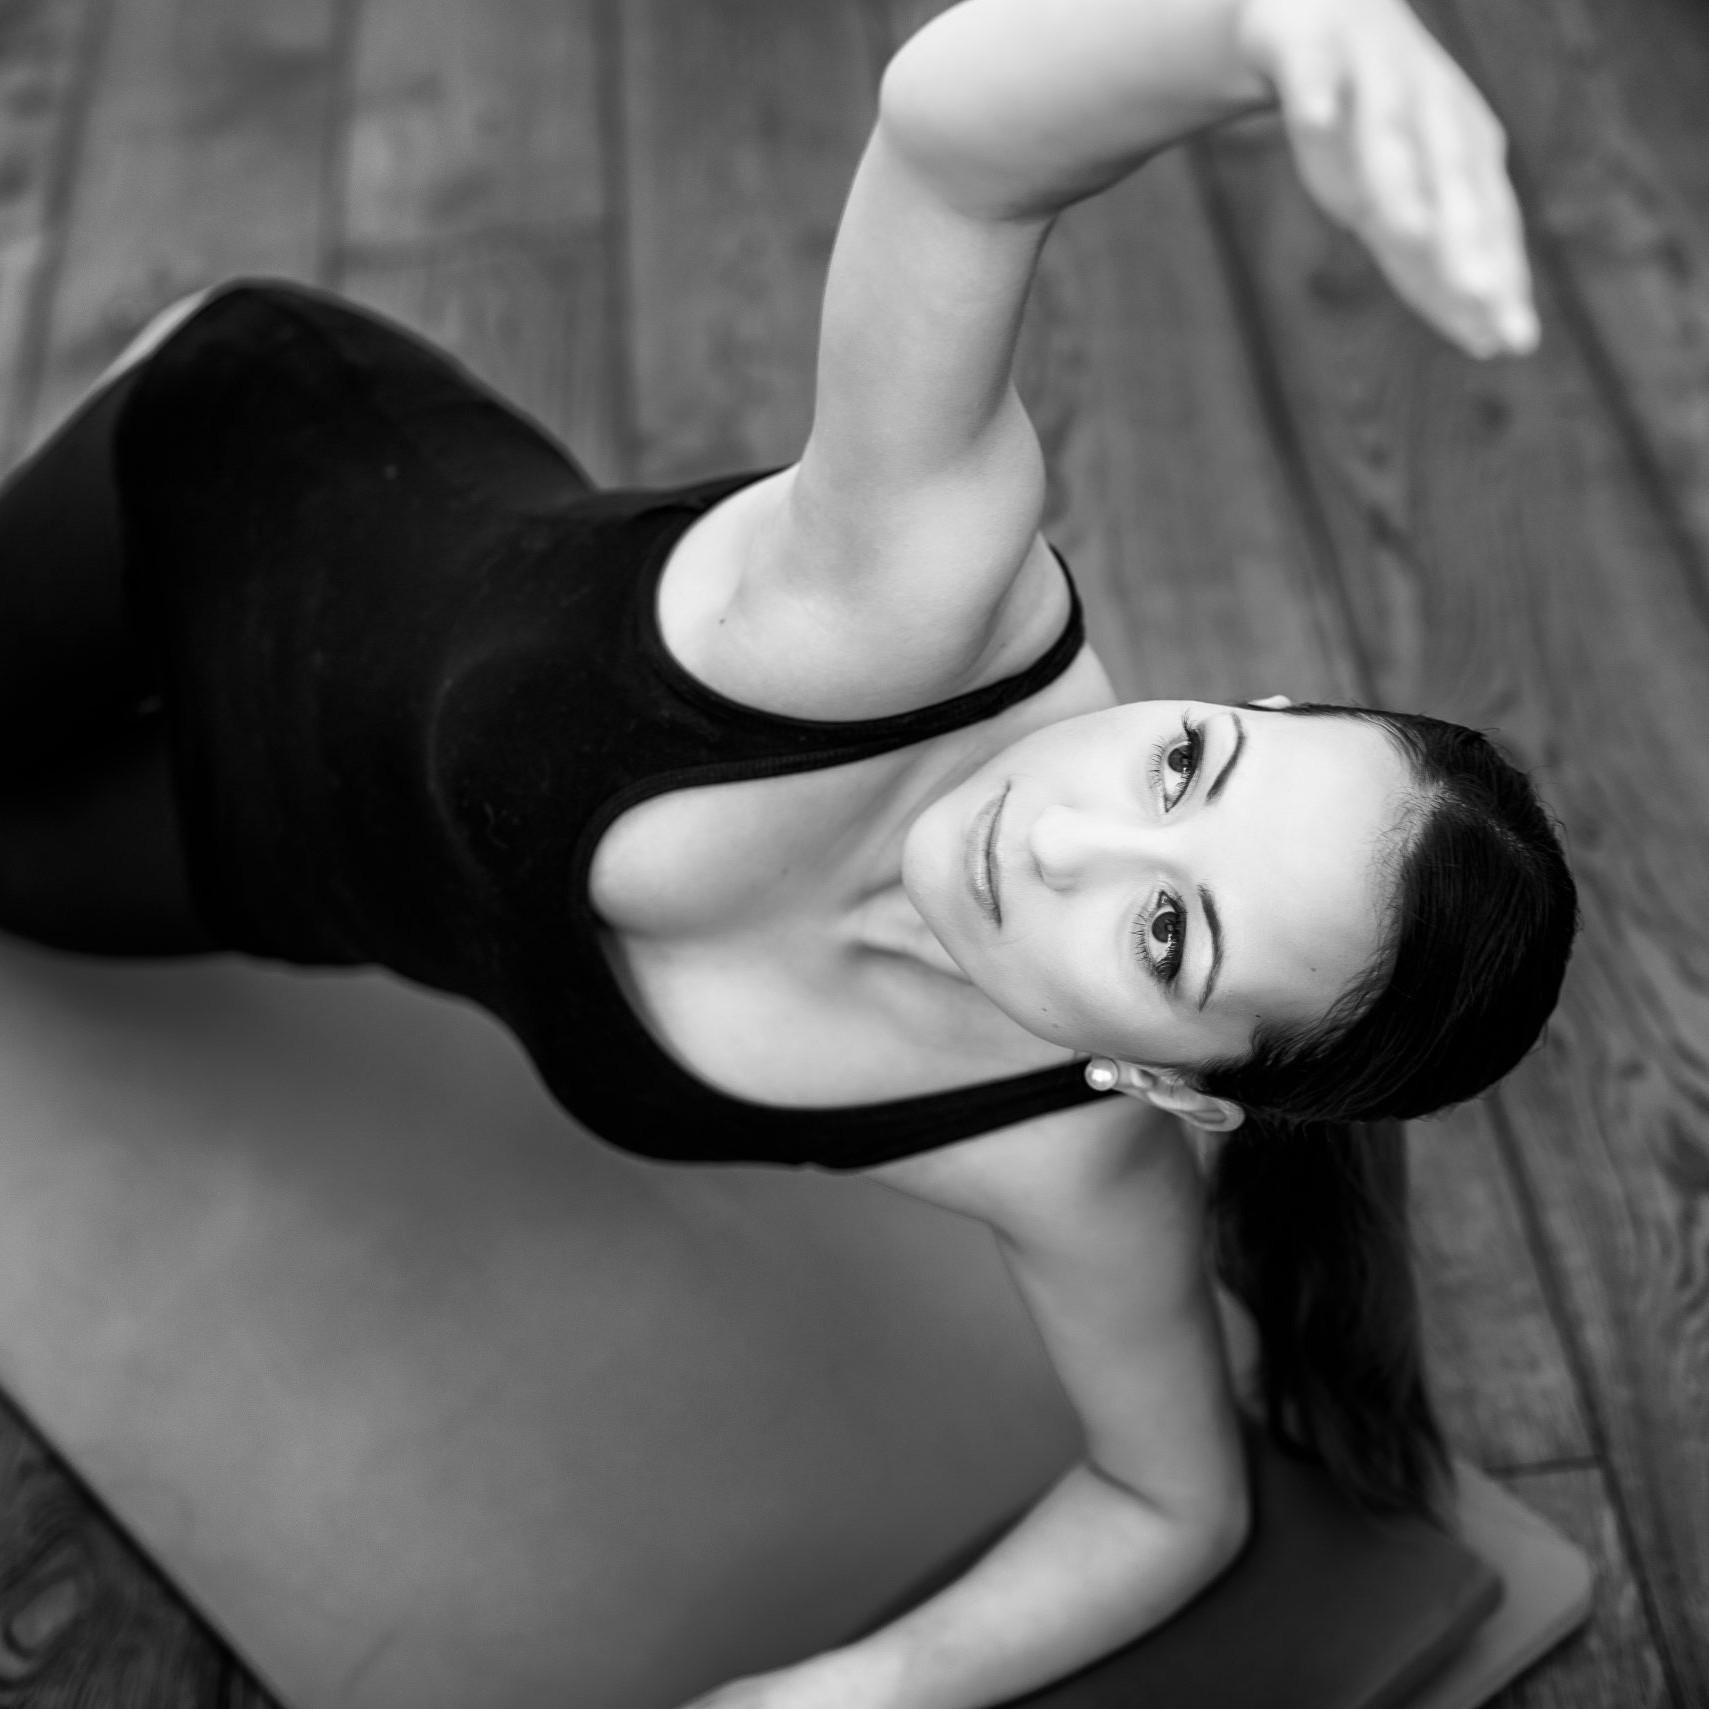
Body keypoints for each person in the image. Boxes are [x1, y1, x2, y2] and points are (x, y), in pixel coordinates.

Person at [0, 0, 1575, 1703]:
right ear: (1237, 702)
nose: (1067, 831)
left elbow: (1171, 1505)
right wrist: (1266, 24)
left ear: (1179, 1087)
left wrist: (855, 1692)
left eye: (1165, 936)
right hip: (224, 484)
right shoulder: (909, 604)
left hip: (267, 859)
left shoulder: (1067, 1166)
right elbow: (954, 154)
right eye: (1188, 760)